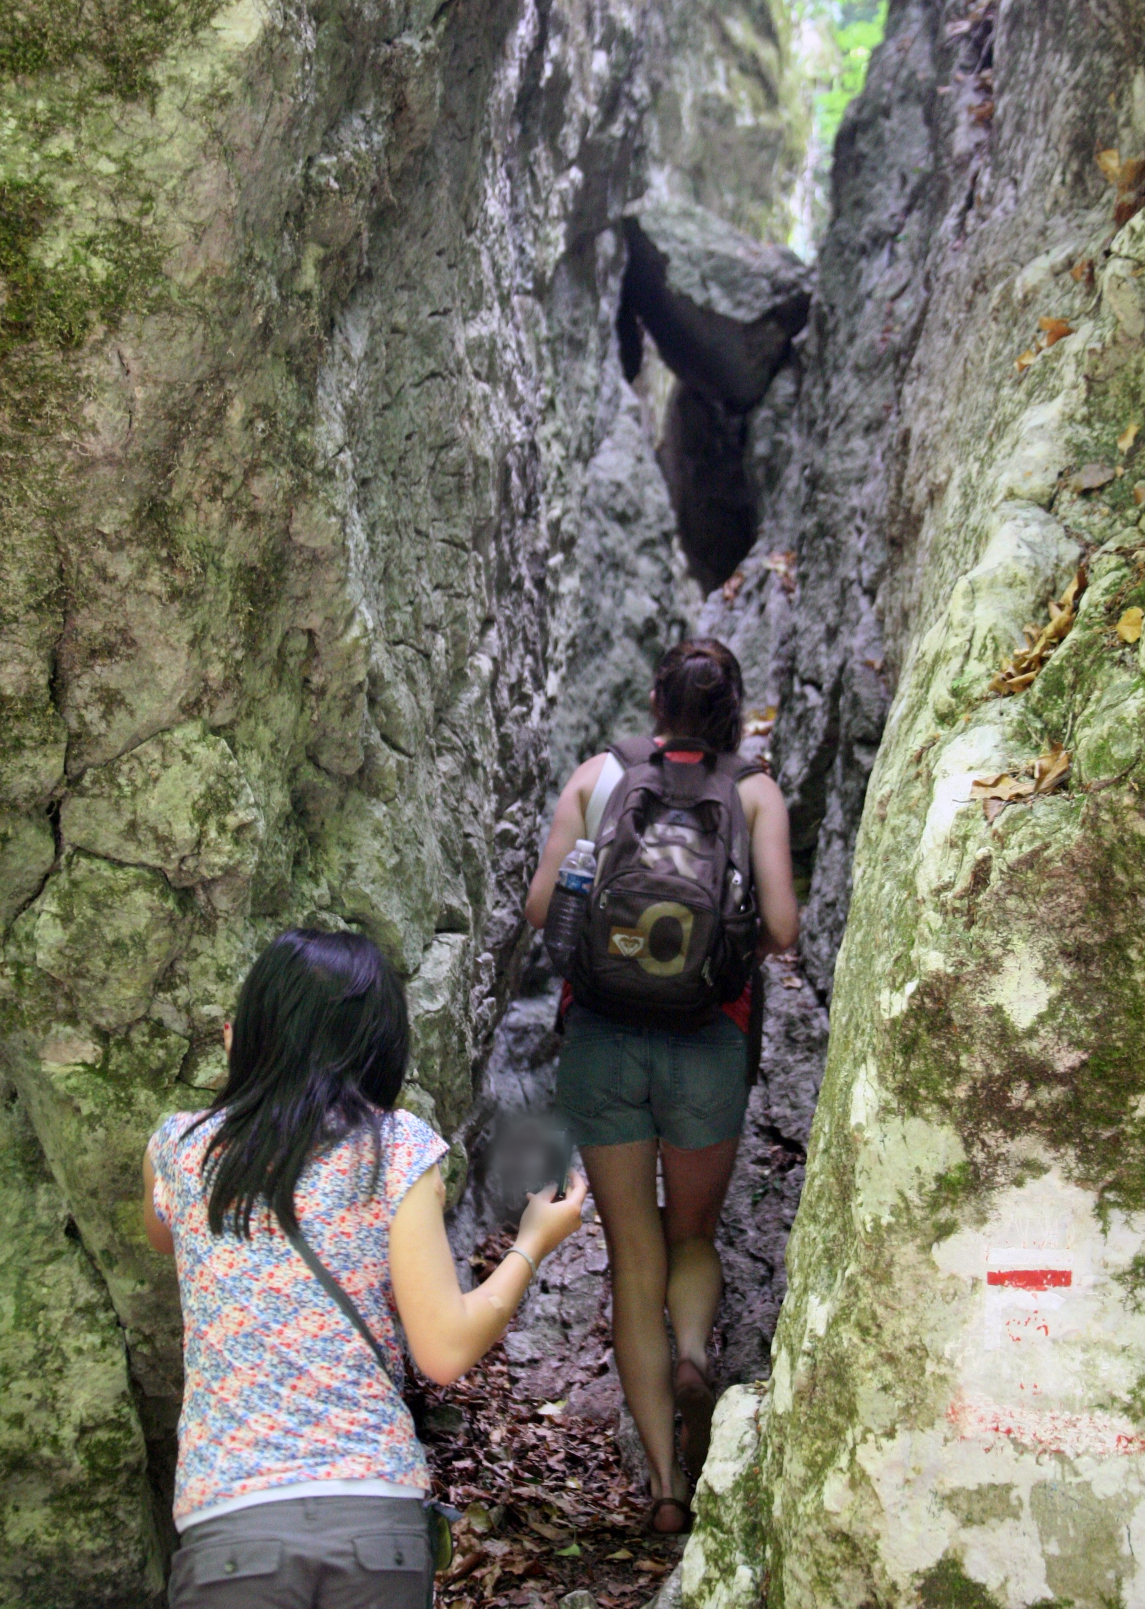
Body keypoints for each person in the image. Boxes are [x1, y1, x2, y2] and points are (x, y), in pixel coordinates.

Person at [143, 927, 585, 1607]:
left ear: (250, 1029)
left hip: (229, 1523)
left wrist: (247, 1085)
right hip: (374, 1520)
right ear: (379, 1043)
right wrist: (531, 1243)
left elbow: (165, 1236)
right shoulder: (397, 1151)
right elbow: (442, 1351)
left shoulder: (181, 1149)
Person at [525, 640, 798, 1534]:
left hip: (603, 1042)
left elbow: (539, 910)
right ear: (733, 713)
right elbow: (785, 927)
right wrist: (729, 954)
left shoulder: (600, 778)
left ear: (655, 702)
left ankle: (667, 1491)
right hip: (706, 1043)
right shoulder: (754, 794)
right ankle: (692, 1349)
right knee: (692, 1238)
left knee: (632, 1260)